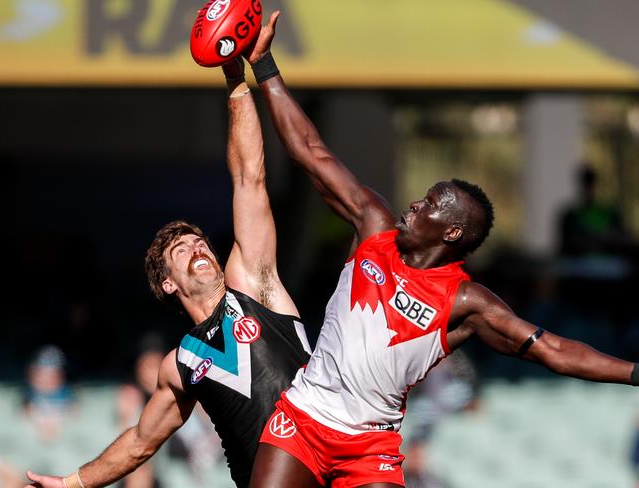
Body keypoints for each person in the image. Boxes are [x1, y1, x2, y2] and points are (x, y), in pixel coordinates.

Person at [243, 13, 639, 488]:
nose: (415, 203)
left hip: (371, 447)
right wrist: (264, 64)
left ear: (451, 233)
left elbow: (552, 349)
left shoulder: (466, 302)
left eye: (431, 203)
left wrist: (635, 372)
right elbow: (311, 151)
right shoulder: (374, 226)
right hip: (302, 423)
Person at [25, 57, 312, 488]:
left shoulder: (254, 283)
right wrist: (73, 484)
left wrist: (235, 80)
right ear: (168, 283)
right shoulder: (180, 364)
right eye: (181, 249)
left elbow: (249, 178)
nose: (197, 246)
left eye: (200, 241)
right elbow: (141, 442)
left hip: (331, 461)